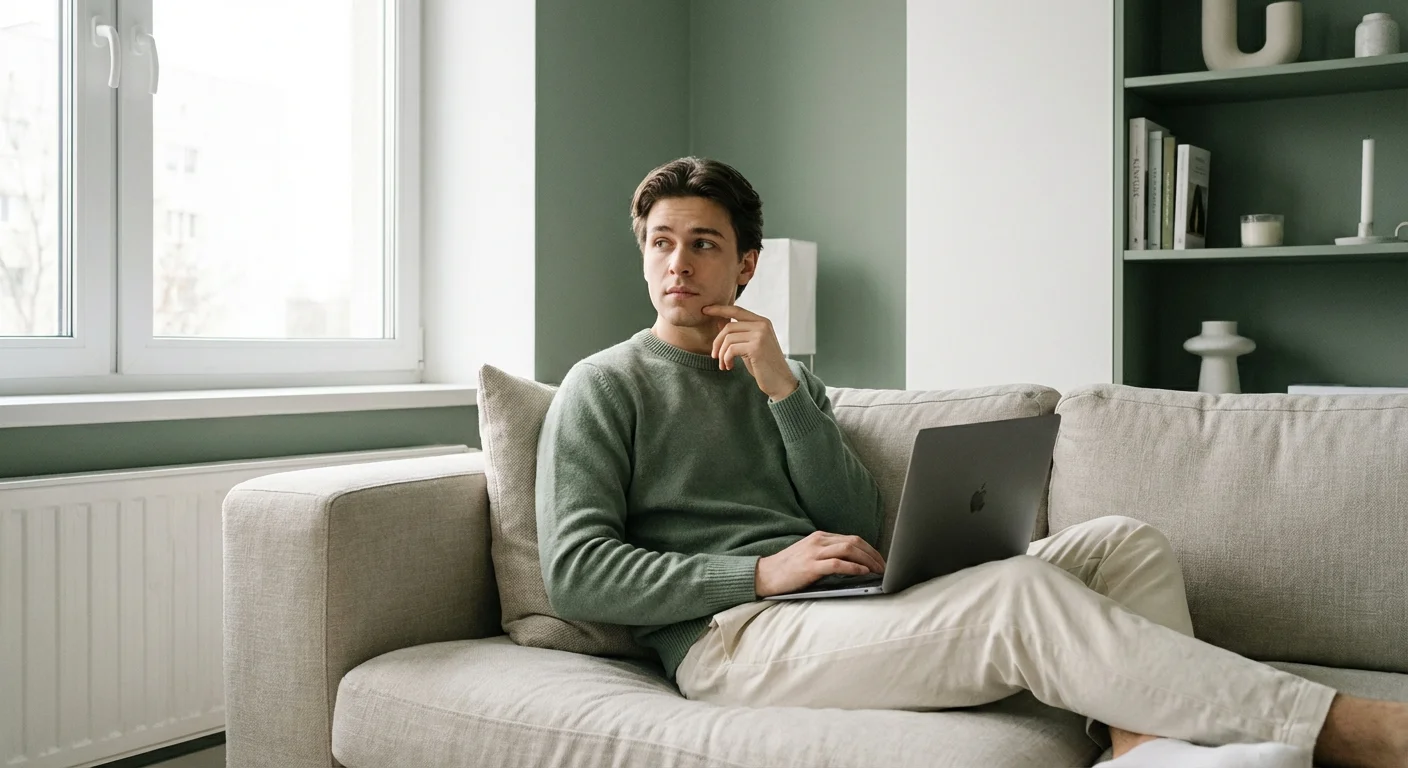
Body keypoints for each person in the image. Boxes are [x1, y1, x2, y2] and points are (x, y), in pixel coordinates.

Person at [534, 156, 1408, 767]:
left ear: (746, 264)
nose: (677, 261)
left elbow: (854, 519)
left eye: (703, 243)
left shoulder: (785, 374)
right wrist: (758, 573)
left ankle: (1144, 746)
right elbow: (576, 575)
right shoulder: (603, 385)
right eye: (661, 241)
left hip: (835, 603)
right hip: (733, 643)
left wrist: (783, 392)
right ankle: (1358, 730)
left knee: (1121, 541)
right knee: (1021, 595)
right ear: (643, 252)